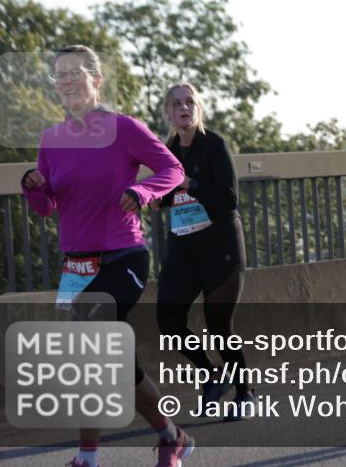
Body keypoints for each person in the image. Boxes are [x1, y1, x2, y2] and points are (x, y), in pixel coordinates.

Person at [20, 45, 194, 467]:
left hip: (123, 255)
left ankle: (87, 457)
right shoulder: (52, 140)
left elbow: (173, 170)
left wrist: (142, 191)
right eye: (59, 74)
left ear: (96, 80)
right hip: (77, 265)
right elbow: (47, 208)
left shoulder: (124, 128)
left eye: (75, 73)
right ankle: (170, 435)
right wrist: (33, 186)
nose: (66, 81)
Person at [151, 83, 254, 421]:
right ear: (167, 111)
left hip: (220, 243)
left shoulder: (215, 145)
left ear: (199, 108)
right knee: (168, 319)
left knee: (219, 324)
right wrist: (152, 197)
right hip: (184, 245)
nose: (184, 108)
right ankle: (211, 375)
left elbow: (229, 199)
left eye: (190, 102)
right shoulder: (167, 151)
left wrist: (190, 184)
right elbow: (165, 198)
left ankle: (243, 392)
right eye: (176, 104)